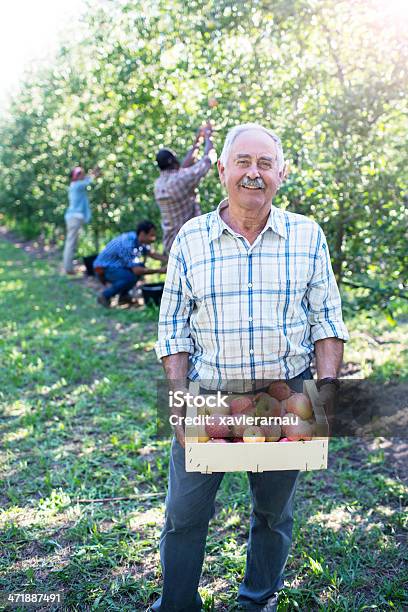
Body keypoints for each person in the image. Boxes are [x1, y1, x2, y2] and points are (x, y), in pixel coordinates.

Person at [153, 123, 349, 611]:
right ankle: (177, 604)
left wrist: (325, 392)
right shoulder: (191, 239)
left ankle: (257, 600)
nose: (253, 173)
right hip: (209, 397)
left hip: (287, 398)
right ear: (222, 170)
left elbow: (327, 320)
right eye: (243, 161)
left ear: (282, 173)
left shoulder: (307, 235)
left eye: (265, 164)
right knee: (183, 515)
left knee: (272, 514)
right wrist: (178, 402)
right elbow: (173, 328)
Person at [154, 123, 217, 254]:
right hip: (189, 242)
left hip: (171, 243)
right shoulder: (181, 179)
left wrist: (197, 142)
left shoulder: (159, 184)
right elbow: (208, 159)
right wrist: (208, 137)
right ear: (173, 161)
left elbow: (183, 170)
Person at [93, 220, 167, 308]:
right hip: (103, 269)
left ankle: (123, 297)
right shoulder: (128, 243)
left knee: (139, 268)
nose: (153, 239)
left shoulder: (138, 239)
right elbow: (137, 271)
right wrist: (160, 270)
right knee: (131, 276)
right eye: (151, 235)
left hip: (115, 267)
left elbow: (152, 254)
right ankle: (104, 296)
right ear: (143, 234)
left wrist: (171, 259)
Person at [63, 165, 100, 274]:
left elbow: (87, 179)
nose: (83, 175)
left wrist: (92, 173)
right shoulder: (77, 186)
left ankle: (69, 267)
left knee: (72, 242)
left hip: (73, 218)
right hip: (75, 217)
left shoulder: (75, 185)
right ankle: (68, 269)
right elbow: (88, 181)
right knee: (71, 243)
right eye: (81, 173)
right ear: (76, 176)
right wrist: (94, 174)